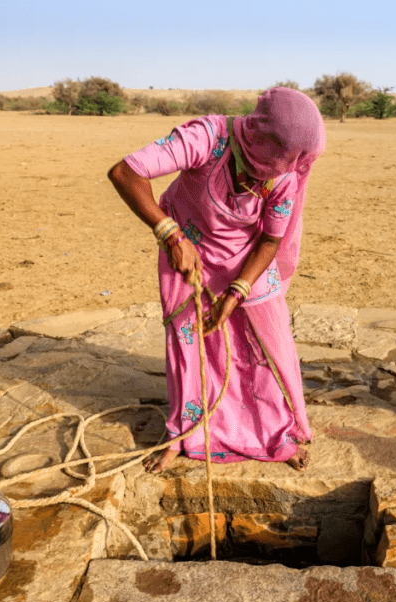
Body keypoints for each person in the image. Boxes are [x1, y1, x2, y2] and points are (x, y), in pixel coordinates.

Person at [108, 88, 325, 473]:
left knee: (265, 344)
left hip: (249, 259)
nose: (285, 168)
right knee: (189, 342)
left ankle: (276, 435)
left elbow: (271, 239)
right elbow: (126, 172)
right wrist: (170, 235)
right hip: (186, 245)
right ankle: (185, 434)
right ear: (259, 135)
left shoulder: (287, 175)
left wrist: (238, 291)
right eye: (281, 157)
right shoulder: (207, 138)